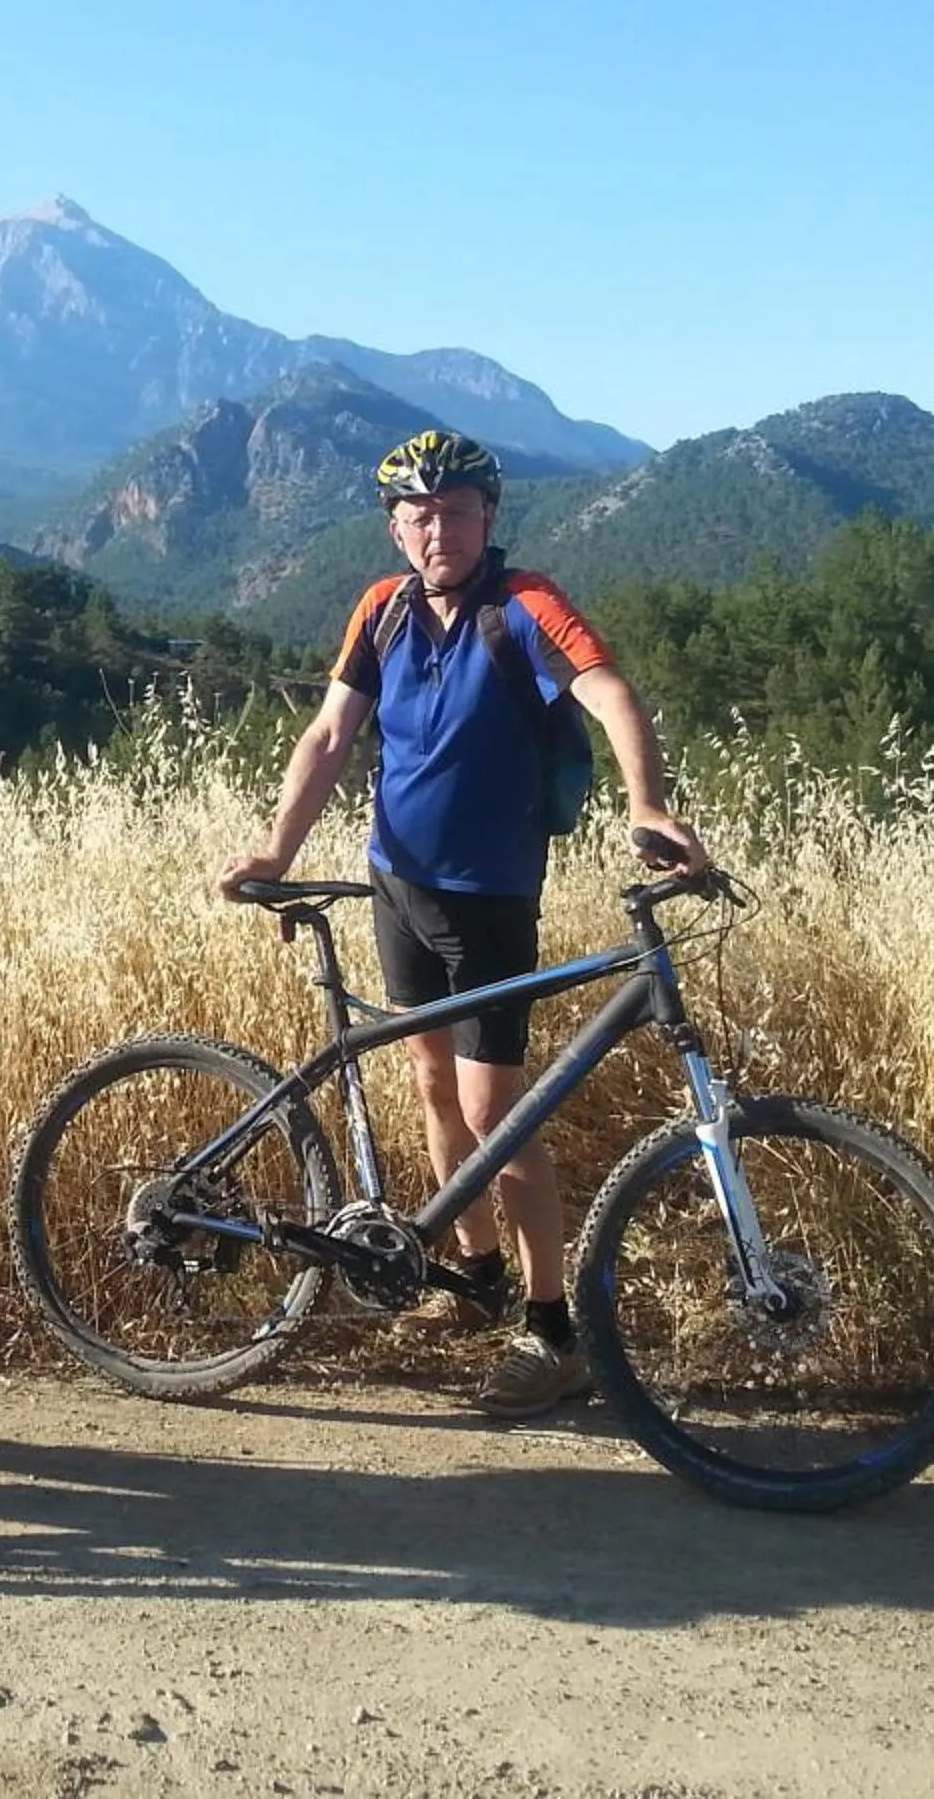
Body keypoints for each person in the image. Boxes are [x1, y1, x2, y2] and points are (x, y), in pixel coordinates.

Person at [216, 427, 711, 1417]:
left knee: (500, 1117)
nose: (435, 529)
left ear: (488, 516)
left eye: (453, 511)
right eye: (417, 514)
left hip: (491, 898)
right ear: (397, 527)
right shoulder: (382, 609)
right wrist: (275, 852)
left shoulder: (524, 606)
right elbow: (329, 734)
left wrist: (647, 803)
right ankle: (475, 1278)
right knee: (433, 1085)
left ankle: (550, 1326)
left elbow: (609, 691)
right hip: (398, 882)